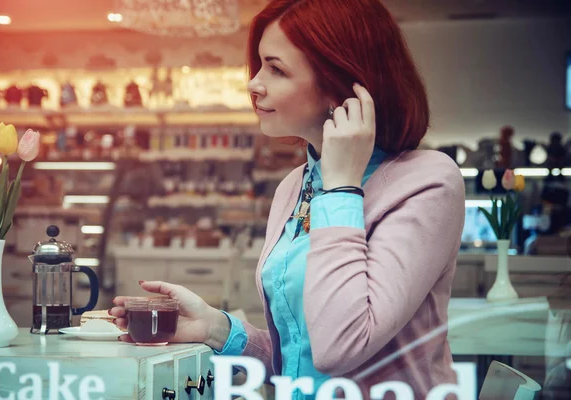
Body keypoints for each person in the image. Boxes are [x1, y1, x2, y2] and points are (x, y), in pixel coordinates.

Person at [110, 0, 465, 398]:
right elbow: (302, 360)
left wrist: (343, 186)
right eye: (260, 64)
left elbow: (340, 347)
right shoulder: (294, 185)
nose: (254, 83)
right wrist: (214, 327)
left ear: (341, 83)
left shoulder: (427, 181)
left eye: (276, 69)